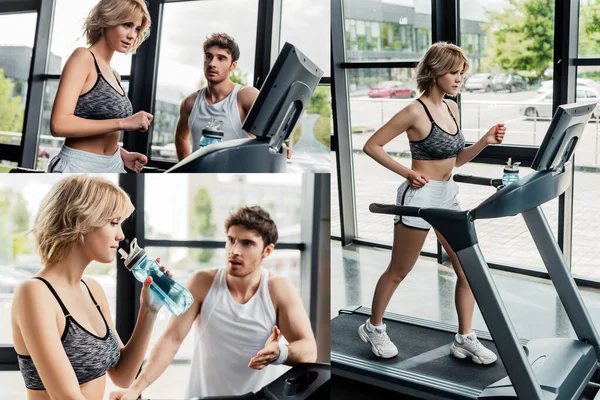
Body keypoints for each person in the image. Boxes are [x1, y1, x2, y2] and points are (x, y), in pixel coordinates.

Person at [360, 42, 507, 365]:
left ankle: (464, 338)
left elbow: (455, 162)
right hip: (419, 197)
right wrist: (408, 172)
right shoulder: (414, 111)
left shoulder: (452, 108)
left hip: (447, 194)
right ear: (435, 71)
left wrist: (484, 141)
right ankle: (373, 327)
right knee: (400, 270)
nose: (459, 79)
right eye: (454, 72)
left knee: (467, 271)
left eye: (462, 73)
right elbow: (372, 145)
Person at [109, 206, 317, 399]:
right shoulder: (203, 282)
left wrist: (281, 353)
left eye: (247, 243)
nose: (235, 250)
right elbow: (171, 339)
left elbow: (309, 349)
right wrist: (135, 388)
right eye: (231, 240)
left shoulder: (278, 288)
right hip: (205, 396)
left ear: (267, 251)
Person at [11, 176, 173, 399]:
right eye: (114, 222)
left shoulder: (93, 290)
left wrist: (149, 310)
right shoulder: (35, 294)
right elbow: (66, 397)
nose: (121, 235)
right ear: (81, 220)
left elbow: (122, 375)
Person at [48, 0, 152, 173]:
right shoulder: (83, 58)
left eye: (137, 29)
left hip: (113, 165)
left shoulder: (114, 75)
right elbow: (59, 125)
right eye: (127, 25)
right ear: (108, 19)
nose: (132, 35)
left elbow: (101, 131)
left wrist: (121, 153)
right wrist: (124, 123)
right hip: (78, 166)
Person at [174, 33, 291, 161]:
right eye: (208, 56)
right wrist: (187, 168)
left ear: (233, 65)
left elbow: (272, 136)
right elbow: (181, 137)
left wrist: (280, 147)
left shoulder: (246, 96)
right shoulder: (190, 102)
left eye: (221, 58)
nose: (212, 63)